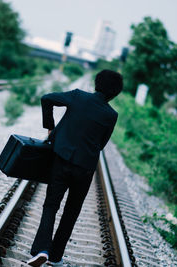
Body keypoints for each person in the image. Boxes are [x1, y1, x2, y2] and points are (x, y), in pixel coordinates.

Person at [26, 69, 123, 267]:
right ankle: (55, 256)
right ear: (115, 94)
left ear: (96, 84)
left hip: (62, 160)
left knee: (51, 205)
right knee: (72, 211)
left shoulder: (78, 96)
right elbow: (101, 144)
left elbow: (47, 98)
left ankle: (42, 250)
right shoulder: (111, 115)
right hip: (85, 168)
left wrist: (50, 127)